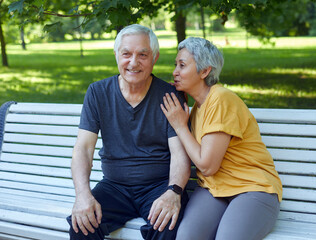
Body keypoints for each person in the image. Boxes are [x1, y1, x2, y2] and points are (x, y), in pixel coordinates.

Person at [66, 24, 191, 240]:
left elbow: (180, 153)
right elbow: (84, 149)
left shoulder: (170, 95)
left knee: (169, 228)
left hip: (159, 187)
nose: (133, 62)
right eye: (126, 54)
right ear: (116, 55)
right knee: (81, 225)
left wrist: (173, 192)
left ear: (155, 57)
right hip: (114, 188)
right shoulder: (97, 93)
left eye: (143, 55)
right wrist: (83, 195)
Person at [160, 37, 283, 240]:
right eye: (176, 65)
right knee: (187, 237)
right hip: (213, 189)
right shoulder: (197, 109)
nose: (175, 72)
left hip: (252, 188)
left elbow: (208, 166)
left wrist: (180, 126)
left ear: (204, 71)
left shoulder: (221, 99)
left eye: (182, 65)